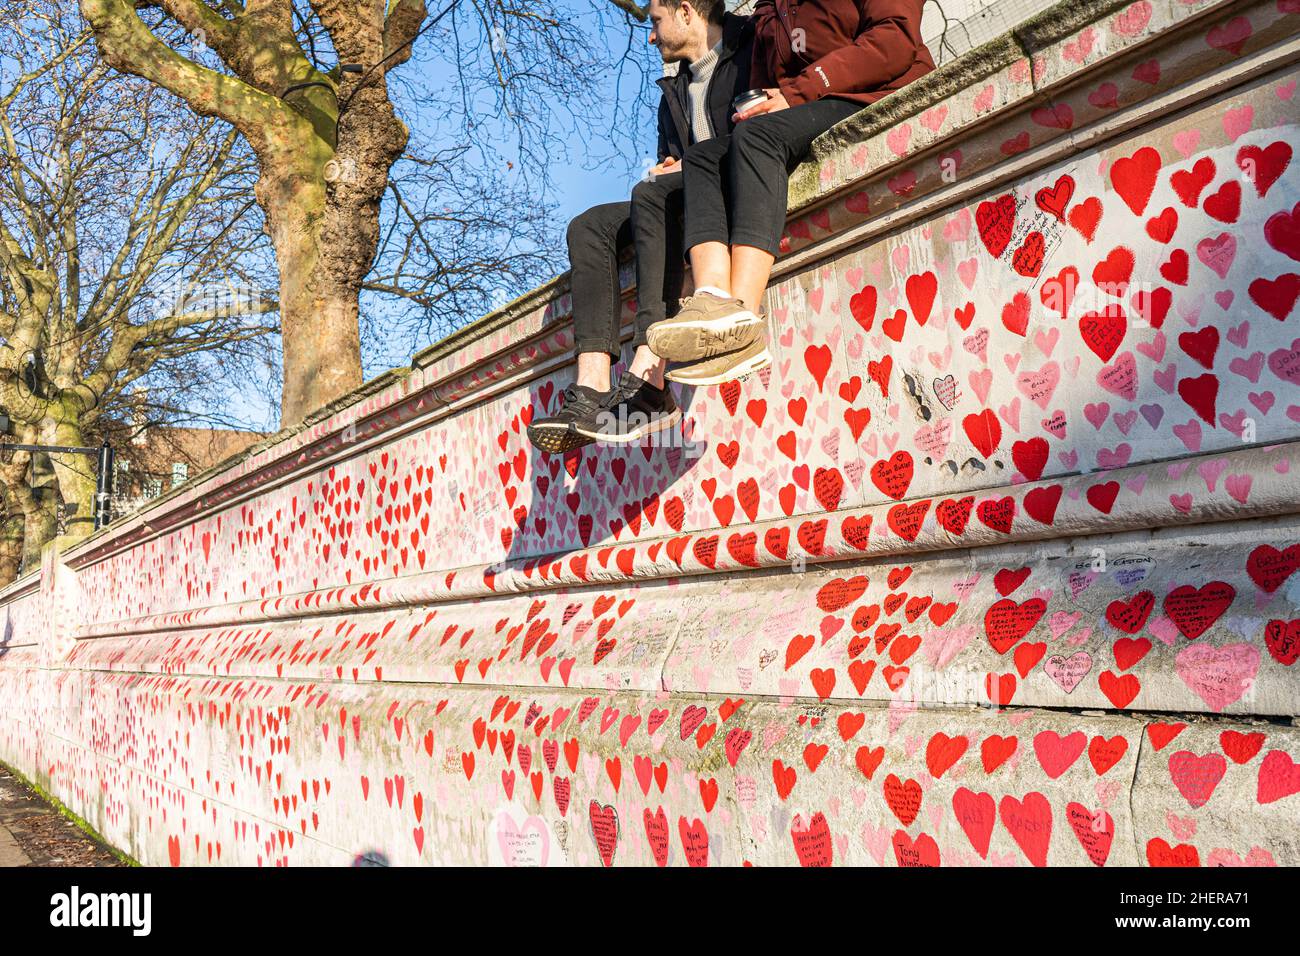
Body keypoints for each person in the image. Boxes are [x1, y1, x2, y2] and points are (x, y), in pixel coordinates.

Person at [646, 0, 936, 382]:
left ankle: (743, 321)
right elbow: (765, 89)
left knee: (754, 137)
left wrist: (801, 90)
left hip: (873, 92)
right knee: (703, 156)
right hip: (806, 105)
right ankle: (713, 299)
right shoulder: (770, 9)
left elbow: (895, 40)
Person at [527, 0, 756, 454]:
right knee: (588, 226)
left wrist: (685, 168)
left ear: (687, 11)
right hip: (682, 193)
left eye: (655, 22)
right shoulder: (674, 85)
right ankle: (590, 390)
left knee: (648, 194)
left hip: (734, 187)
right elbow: (670, 159)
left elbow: (763, 129)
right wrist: (671, 165)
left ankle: (649, 382)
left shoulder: (751, 46)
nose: (650, 36)